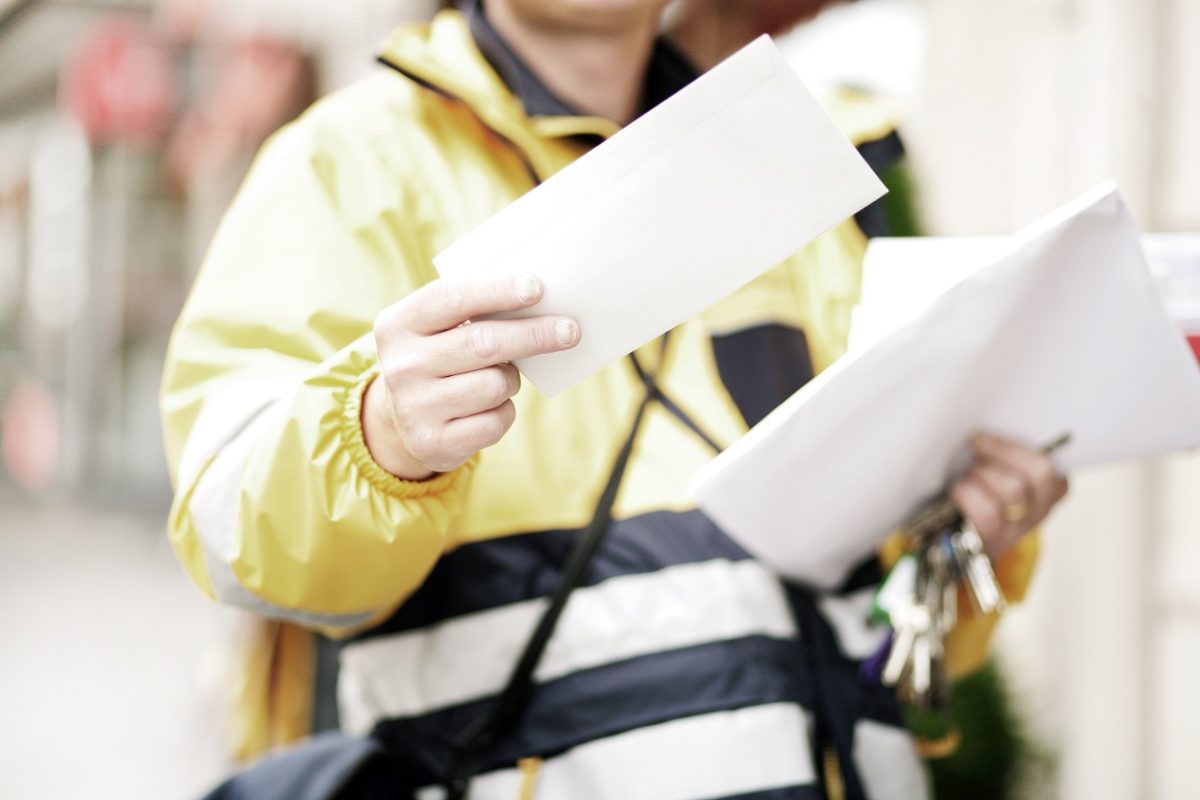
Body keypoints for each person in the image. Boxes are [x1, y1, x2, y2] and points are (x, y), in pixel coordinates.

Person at [161, 1, 1069, 797]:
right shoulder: (347, 163)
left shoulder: (792, 171)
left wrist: (954, 552)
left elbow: (880, 626)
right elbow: (231, 525)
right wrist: (374, 435)